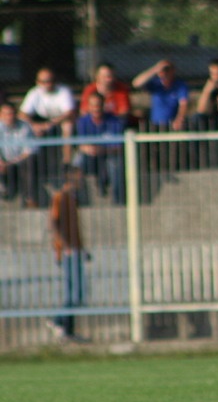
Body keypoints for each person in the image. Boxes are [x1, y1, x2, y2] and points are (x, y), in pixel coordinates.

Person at [46, 164, 90, 344]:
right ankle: (58, 321)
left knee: (77, 294)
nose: (81, 180)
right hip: (68, 252)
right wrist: (65, 246)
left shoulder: (72, 199)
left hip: (76, 249)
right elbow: (54, 224)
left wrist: (82, 248)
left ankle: (67, 329)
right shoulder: (60, 197)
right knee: (73, 293)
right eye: (78, 176)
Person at [73, 92, 126, 205]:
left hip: (109, 154)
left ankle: (119, 202)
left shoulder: (115, 121)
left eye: (98, 105)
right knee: (76, 163)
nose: (95, 108)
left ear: (103, 105)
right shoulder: (82, 122)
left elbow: (119, 146)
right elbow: (80, 144)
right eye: (93, 105)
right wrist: (87, 149)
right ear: (89, 106)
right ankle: (74, 199)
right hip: (89, 155)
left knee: (116, 165)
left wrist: (102, 150)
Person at [18, 67, 77, 163]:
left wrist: (50, 124)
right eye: (43, 81)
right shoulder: (34, 92)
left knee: (68, 126)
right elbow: (22, 114)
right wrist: (34, 126)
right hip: (40, 122)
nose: (48, 84)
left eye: (50, 81)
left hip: (59, 122)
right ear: (37, 82)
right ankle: (28, 163)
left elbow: (69, 113)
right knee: (25, 128)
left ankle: (67, 162)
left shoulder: (63, 91)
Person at [132, 59, 190, 131]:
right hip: (155, 124)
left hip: (172, 124)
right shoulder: (156, 83)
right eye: (162, 70)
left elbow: (183, 104)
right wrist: (155, 69)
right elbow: (136, 83)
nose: (165, 73)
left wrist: (179, 119)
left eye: (167, 70)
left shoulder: (180, 85)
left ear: (173, 71)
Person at [0, 102, 39, 208]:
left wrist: (11, 162)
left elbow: (29, 151)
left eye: (12, 113)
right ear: (1, 115)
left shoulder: (25, 126)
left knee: (30, 162)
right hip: (4, 163)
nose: (9, 117)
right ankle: (4, 190)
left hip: (20, 161)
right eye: (6, 114)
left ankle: (29, 198)